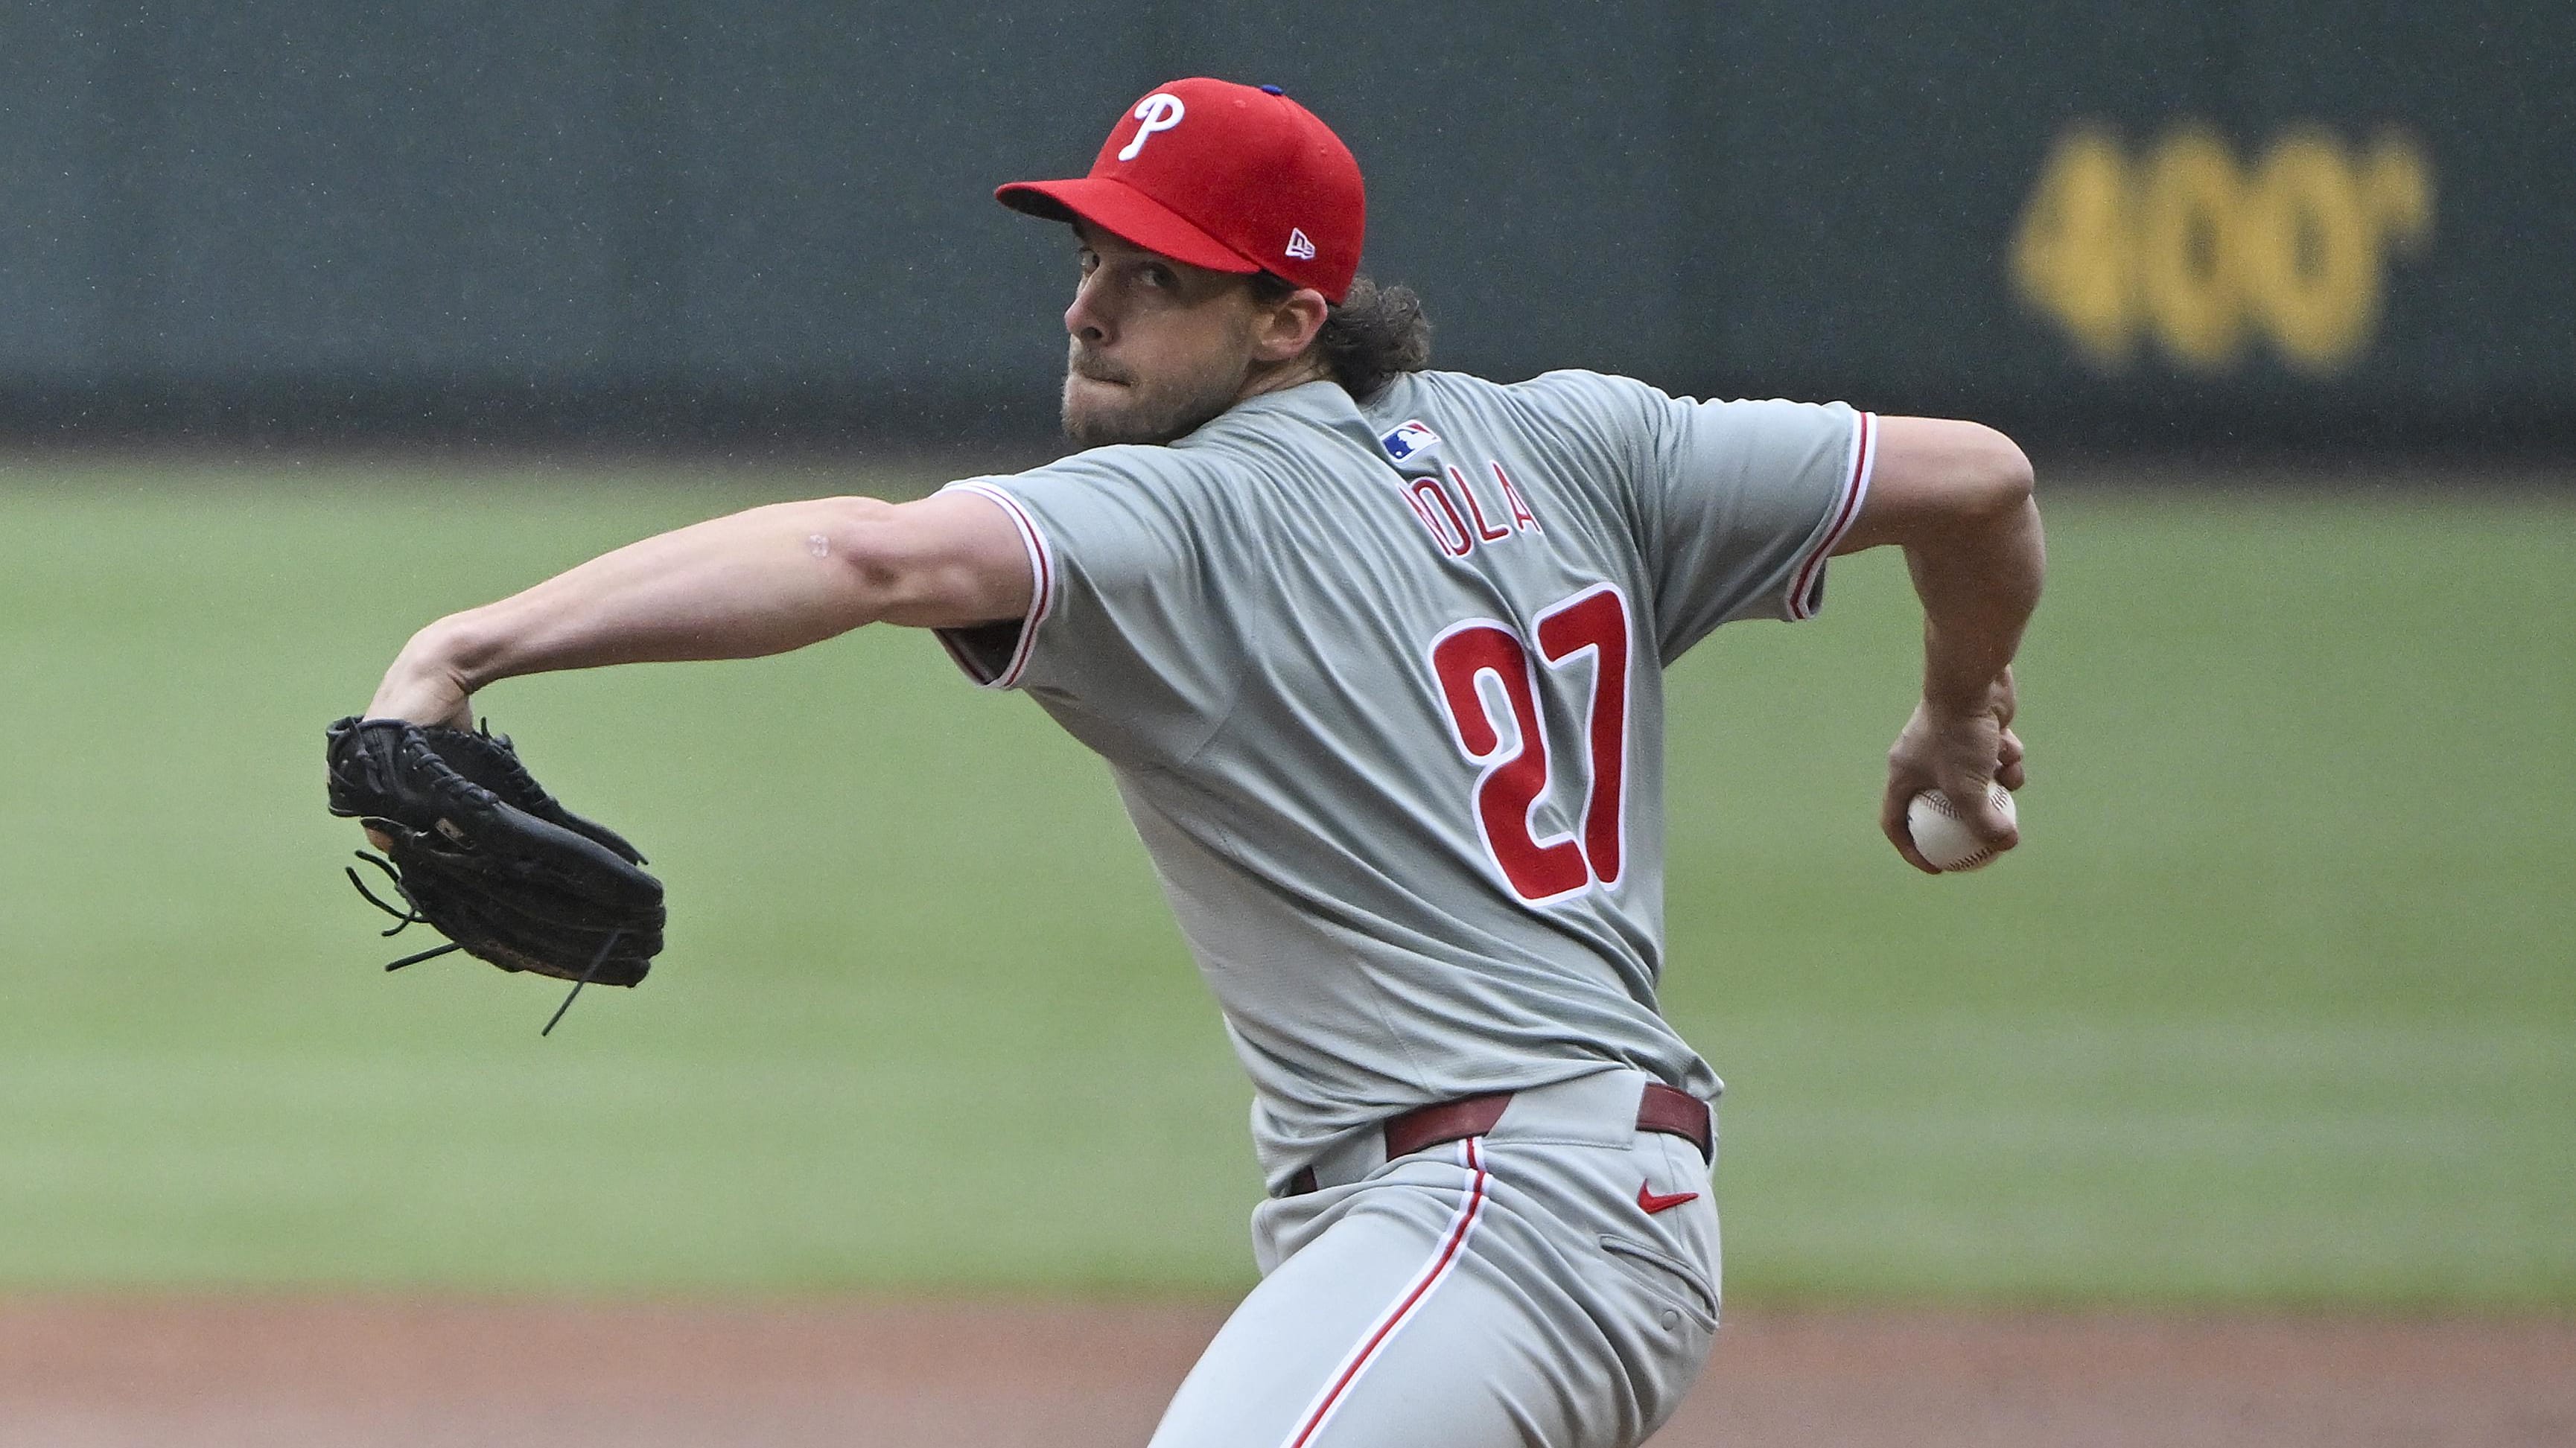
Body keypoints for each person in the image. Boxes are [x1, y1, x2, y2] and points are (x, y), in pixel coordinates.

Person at [360, 77, 2040, 1448]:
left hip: (1488, 1218)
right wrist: (1959, 711)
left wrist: (467, 648)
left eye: (1154, 274)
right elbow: (1977, 480)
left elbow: (864, 558)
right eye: (1090, 250)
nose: (1087, 305)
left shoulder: (1182, 508)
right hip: (1574, 1205)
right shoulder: (1584, 438)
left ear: (1285, 318)